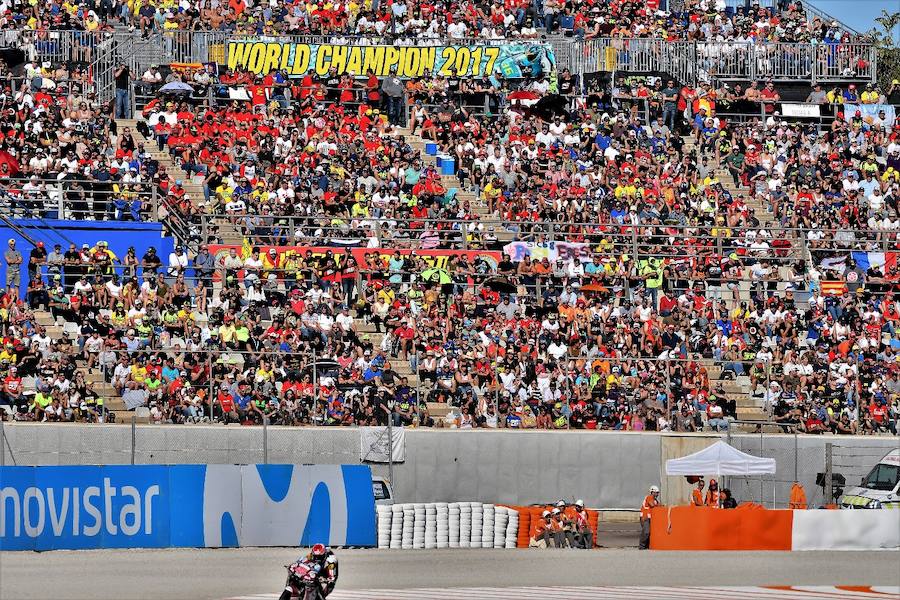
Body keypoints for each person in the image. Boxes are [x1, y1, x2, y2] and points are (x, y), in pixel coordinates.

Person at [639, 485, 661, 550]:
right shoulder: (649, 497)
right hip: (644, 517)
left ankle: (646, 546)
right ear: (652, 492)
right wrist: (658, 505)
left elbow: (659, 506)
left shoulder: (655, 500)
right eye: (656, 492)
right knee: (646, 532)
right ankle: (642, 546)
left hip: (649, 518)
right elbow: (652, 505)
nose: (657, 494)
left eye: (658, 492)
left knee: (649, 532)